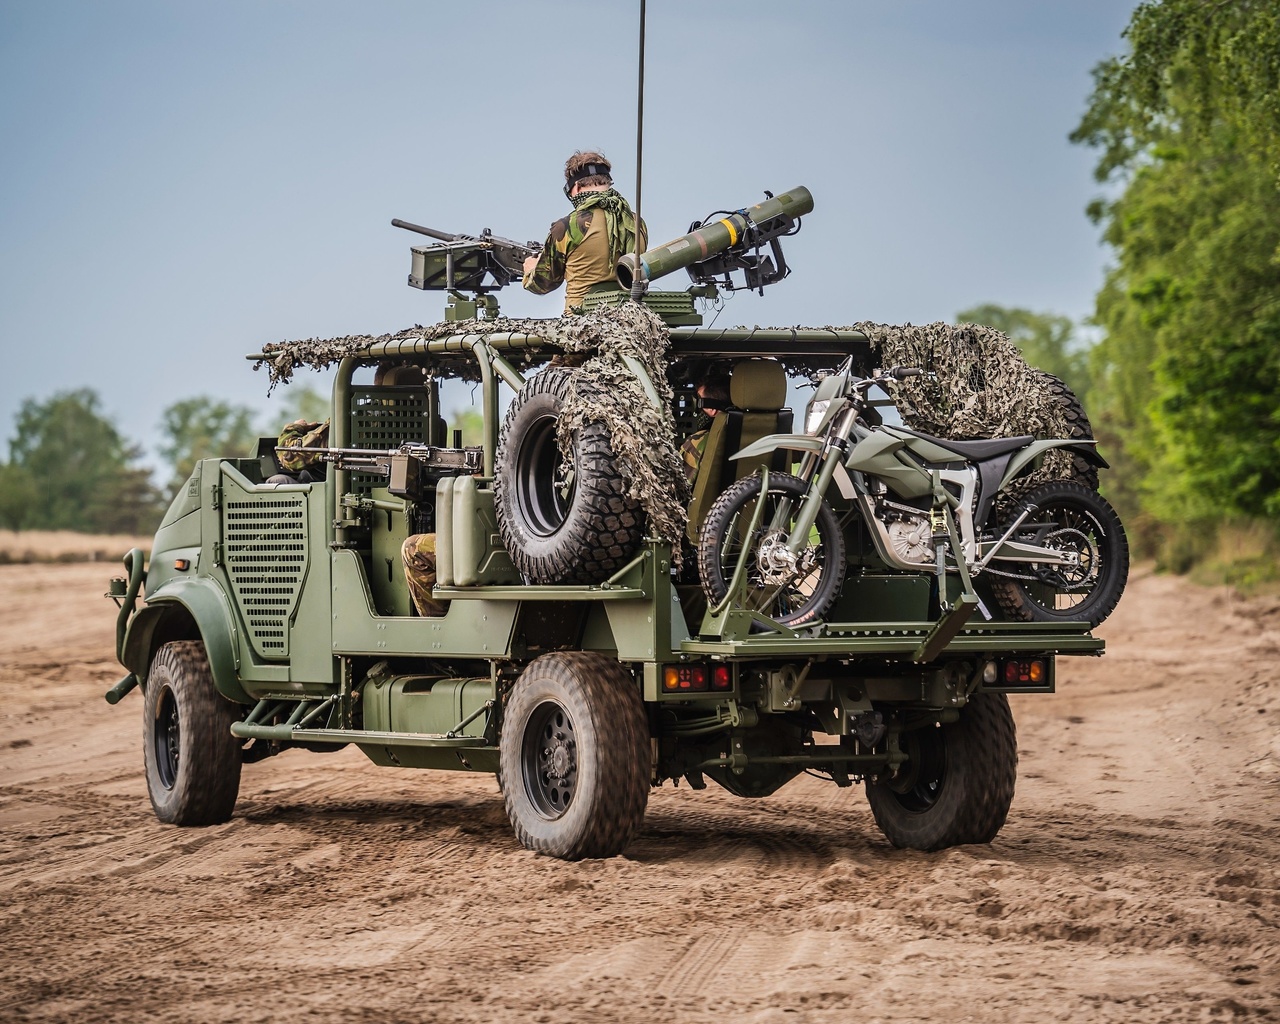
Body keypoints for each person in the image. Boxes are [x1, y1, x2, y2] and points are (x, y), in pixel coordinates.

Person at [522, 151, 647, 313]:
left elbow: (543, 283)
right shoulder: (636, 222)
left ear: (576, 187)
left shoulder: (567, 226)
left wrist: (530, 269)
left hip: (582, 324)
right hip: (629, 320)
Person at [680, 378, 731, 483]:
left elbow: (679, 488)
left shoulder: (698, 441)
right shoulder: (762, 435)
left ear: (713, 410)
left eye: (699, 403)